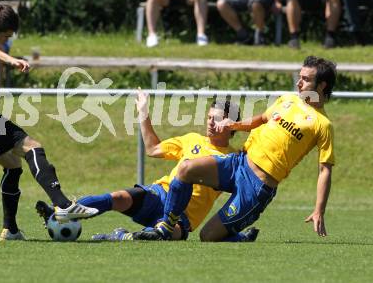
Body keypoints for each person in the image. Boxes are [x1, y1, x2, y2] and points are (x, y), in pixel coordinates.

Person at [135, 56, 336, 242]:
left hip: (257, 186)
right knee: (185, 169)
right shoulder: (287, 100)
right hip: (238, 163)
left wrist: (319, 210)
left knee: (208, 236)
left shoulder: (322, 124)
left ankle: (241, 238)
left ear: (322, 85)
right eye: (299, 77)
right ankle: (166, 227)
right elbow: (261, 119)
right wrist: (233, 125)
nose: (299, 82)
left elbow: (325, 169)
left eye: (306, 79)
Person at [0, 4, 98, 241]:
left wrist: (10, 59)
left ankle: (11, 231)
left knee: (13, 166)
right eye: (5, 37)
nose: (4, 41)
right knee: (32, 147)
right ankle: (63, 204)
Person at [36, 91, 258, 242]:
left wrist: (234, 232)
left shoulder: (235, 159)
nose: (210, 122)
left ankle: (120, 236)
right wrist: (143, 112)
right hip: (159, 194)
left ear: (231, 125)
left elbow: (243, 191)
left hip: (184, 218)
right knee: (117, 198)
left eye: (217, 119)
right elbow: (153, 149)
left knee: (161, 237)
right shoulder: (191, 139)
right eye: (209, 117)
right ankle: (61, 212)